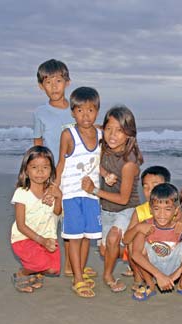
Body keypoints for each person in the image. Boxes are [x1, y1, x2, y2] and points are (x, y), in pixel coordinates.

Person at [32, 58, 96, 279]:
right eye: (48, 83)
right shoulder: (40, 113)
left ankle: (72, 266)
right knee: (48, 220)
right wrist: (38, 175)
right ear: (41, 86)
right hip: (51, 176)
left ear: (67, 82)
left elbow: (91, 133)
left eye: (58, 81)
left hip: (75, 176)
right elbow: (38, 144)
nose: (54, 87)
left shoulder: (77, 109)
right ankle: (39, 265)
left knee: (73, 224)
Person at [81, 105, 143, 293]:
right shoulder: (104, 146)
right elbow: (88, 127)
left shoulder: (129, 163)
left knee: (114, 238)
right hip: (106, 208)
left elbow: (124, 199)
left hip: (127, 208)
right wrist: (105, 173)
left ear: (129, 134)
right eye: (109, 129)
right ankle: (130, 256)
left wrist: (94, 191)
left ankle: (108, 275)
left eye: (119, 131)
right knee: (105, 250)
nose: (112, 135)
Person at [55, 87, 103, 298]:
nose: (86, 115)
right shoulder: (68, 134)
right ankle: (77, 278)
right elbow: (61, 163)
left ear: (97, 111)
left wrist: (108, 175)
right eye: (80, 110)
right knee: (74, 237)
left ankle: (80, 269)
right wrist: (55, 189)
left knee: (87, 237)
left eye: (91, 110)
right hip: (72, 195)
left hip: (92, 195)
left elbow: (100, 162)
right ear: (73, 112)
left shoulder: (101, 134)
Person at [130, 183, 182, 301]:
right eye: (157, 209)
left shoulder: (179, 227)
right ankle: (150, 285)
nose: (162, 214)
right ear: (151, 209)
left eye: (167, 209)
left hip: (174, 268)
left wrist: (176, 274)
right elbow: (135, 254)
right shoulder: (145, 226)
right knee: (140, 247)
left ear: (176, 210)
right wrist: (158, 276)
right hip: (152, 268)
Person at [10, 146, 62, 293]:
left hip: (47, 235)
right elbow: (21, 226)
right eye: (34, 167)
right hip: (24, 238)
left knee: (53, 269)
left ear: (51, 169)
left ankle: (35, 272)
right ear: (26, 170)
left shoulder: (51, 190)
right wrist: (42, 241)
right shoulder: (22, 193)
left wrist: (59, 196)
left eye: (45, 167)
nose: (40, 171)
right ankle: (22, 274)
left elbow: (57, 212)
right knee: (40, 263)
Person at [122, 166, 171, 290]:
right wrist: (138, 227)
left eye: (155, 186)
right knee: (133, 243)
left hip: (169, 255)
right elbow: (126, 240)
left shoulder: (174, 209)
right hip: (146, 259)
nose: (150, 191)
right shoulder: (139, 211)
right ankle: (139, 278)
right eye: (145, 187)